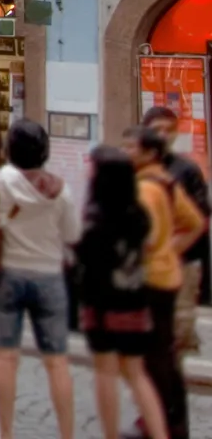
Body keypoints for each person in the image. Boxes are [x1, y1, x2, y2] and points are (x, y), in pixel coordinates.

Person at [0, 118, 80, 439]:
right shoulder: (61, 190)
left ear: (9, 149)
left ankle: (6, 433)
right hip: (48, 276)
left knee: (6, 357)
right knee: (57, 362)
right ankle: (67, 435)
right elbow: (72, 233)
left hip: (6, 274)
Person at [80, 147, 172, 439]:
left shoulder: (96, 218)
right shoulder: (138, 214)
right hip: (135, 302)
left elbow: (89, 265)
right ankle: (159, 435)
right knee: (136, 374)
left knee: (105, 372)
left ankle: (110, 435)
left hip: (103, 306)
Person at [129, 123, 203, 439]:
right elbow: (195, 222)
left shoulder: (152, 185)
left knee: (157, 355)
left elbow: (194, 222)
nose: (125, 151)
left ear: (149, 152)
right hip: (162, 274)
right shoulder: (158, 180)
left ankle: (162, 424)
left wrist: (166, 251)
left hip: (156, 277)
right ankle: (167, 422)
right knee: (161, 354)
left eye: (130, 147)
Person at [144, 104, 211, 339]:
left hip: (182, 261)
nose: (163, 135)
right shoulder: (137, 168)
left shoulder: (187, 170)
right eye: (157, 129)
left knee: (179, 328)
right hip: (147, 263)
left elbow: (201, 218)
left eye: (169, 129)